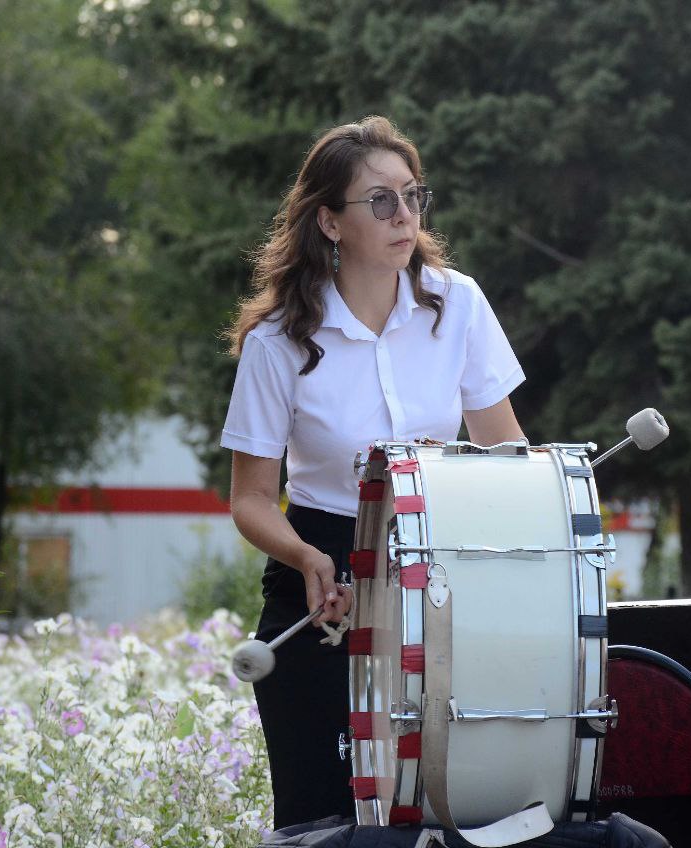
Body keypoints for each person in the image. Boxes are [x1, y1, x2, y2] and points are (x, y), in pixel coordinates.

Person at [220, 116, 526, 828]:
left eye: (414, 197)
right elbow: (252, 500)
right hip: (322, 571)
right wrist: (305, 558)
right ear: (329, 221)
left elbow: (507, 456)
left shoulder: (462, 305)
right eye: (381, 201)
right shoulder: (277, 341)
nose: (406, 216)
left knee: (459, 815)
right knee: (320, 823)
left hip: (442, 573)